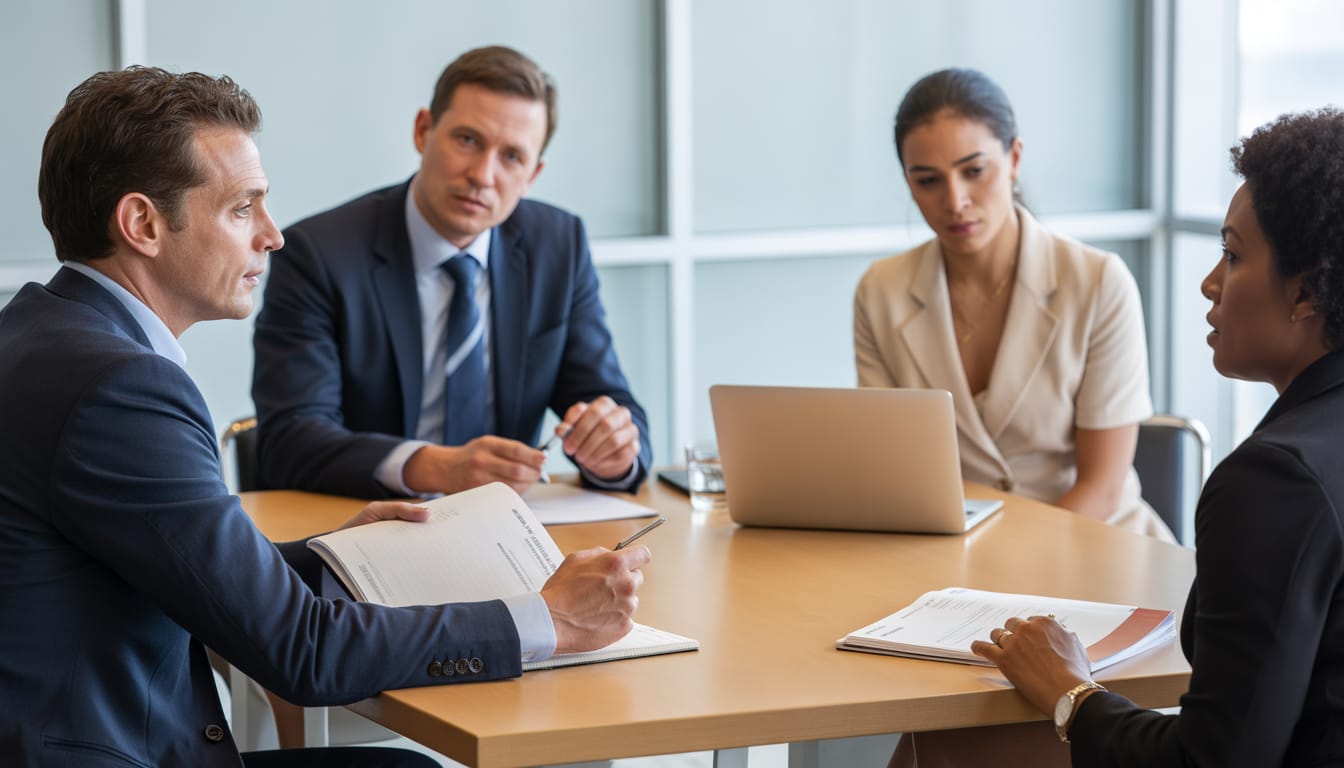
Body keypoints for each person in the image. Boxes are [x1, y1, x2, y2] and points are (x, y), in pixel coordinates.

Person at [0, 66, 649, 768]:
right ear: (143, 224)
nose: (271, 236)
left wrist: (333, 558)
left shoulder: (38, 331)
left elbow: (166, 558)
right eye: (243, 208)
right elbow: (303, 651)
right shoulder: (123, 388)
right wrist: (547, 619)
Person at [901, 108, 1344, 766]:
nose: (1210, 283)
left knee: (951, 746)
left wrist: (1070, 692)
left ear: (1306, 294)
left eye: (1232, 255)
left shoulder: (1273, 480)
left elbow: (1212, 761)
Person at [252, 45, 650, 499]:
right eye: (468, 140)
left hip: (505, 527)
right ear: (423, 131)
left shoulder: (558, 245)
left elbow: (609, 401)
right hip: (365, 520)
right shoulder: (320, 253)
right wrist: (435, 468)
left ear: (532, 176)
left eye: (512, 157)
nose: (483, 175)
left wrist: (614, 452)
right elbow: (290, 440)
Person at [853, 68, 1173, 542]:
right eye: (928, 181)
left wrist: (1002, 568)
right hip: (955, 554)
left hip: (1096, 542)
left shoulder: (1099, 282)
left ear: (1014, 158)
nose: (955, 201)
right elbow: (892, 466)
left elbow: (1102, 489)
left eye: (974, 171)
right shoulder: (881, 291)